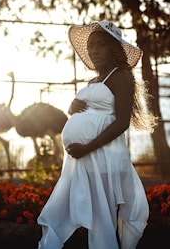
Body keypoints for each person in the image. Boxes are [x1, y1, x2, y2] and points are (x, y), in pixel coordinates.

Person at [37, 20, 157, 249]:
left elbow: (121, 122)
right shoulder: (94, 80)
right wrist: (73, 107)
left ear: (113, 49)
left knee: (101, 219)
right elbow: (93, 111)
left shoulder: (121, 76)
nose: (94, 50)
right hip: (82, 159)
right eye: (91, 46)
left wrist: (86, 147)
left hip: (104, 159)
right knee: (59, 210)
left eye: (100, 45)